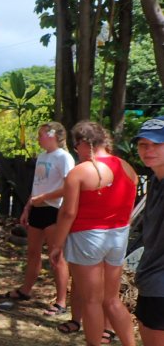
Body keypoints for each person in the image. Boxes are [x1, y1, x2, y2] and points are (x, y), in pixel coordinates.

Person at [49, 121, 137, 346]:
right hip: (118, 236)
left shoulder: (80, 171)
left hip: (87, 237)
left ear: (83, 144)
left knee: (91, 301)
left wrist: (57, 245)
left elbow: (68, 213)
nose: (76, 152)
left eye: (76, 146)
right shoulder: (128, 168)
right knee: (112, 300)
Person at [6, 122, 73, 316]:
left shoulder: (64, 157)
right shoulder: (43, 156)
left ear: (52, 135)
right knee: (33, 252)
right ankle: (26, 290)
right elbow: (38, 186)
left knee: (56, 256)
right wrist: (28, 207)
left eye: (41, 134)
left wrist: (43, 198)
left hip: (54, 211)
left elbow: (69, 187)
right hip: (37, 209)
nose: (38, 138)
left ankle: (61, 301)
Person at [133, 116, 164, 346]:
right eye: (143, 144)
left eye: (157, 143)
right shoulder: (155, 179)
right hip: (150, 278)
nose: (148, 149)